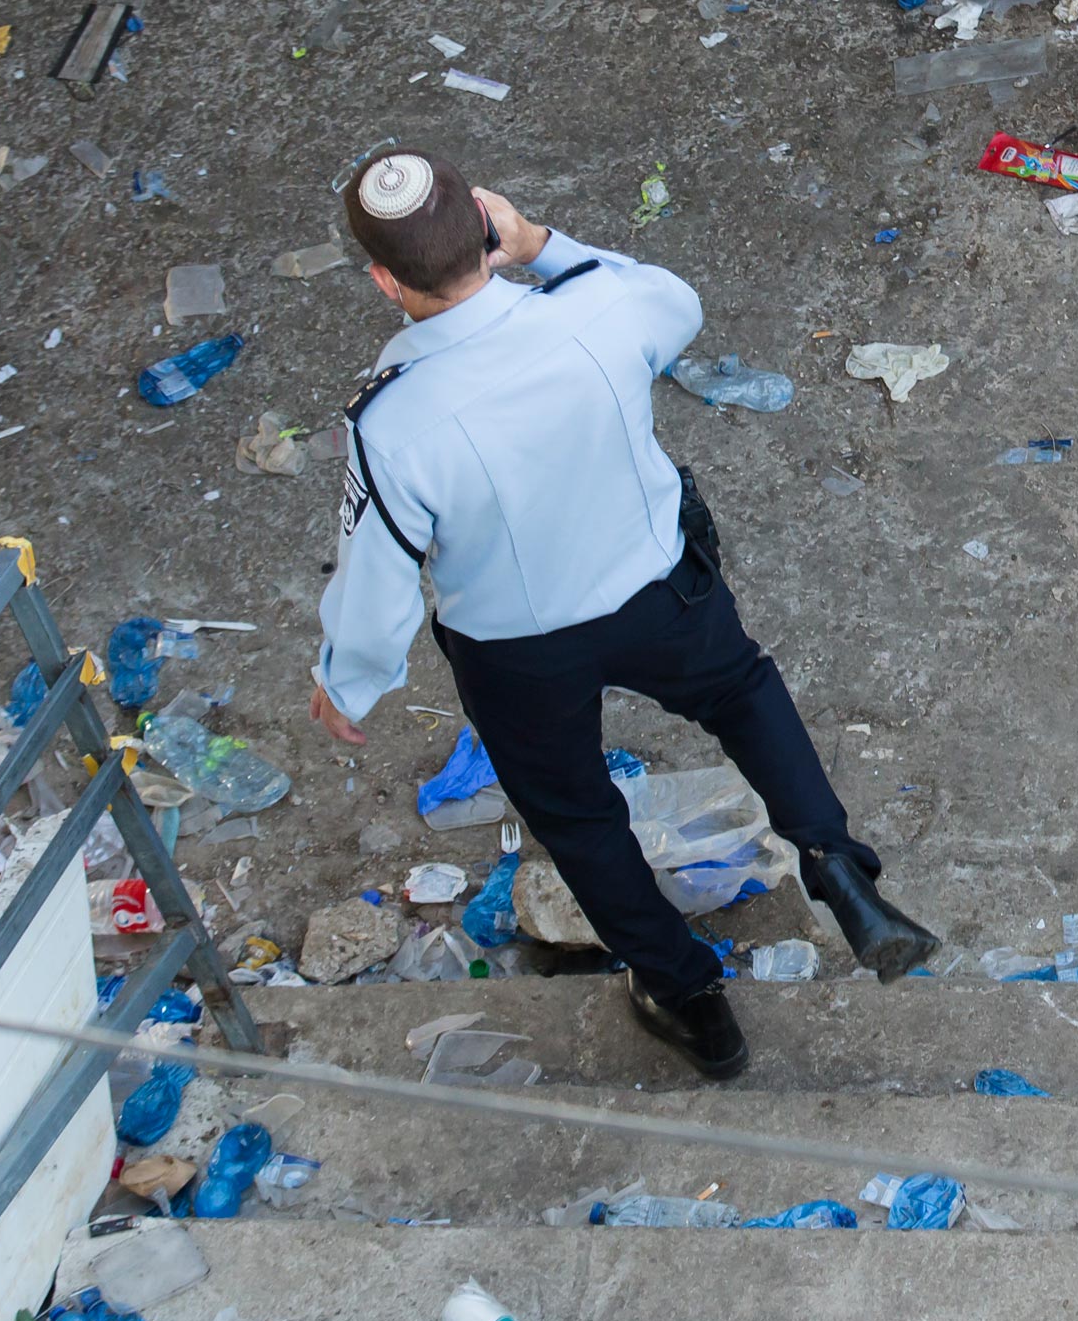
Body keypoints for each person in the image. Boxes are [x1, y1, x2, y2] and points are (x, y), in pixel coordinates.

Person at [309, 151, 934, 1080]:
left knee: (580, 815)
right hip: (655, 587)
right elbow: (676, 302)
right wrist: (541, 245)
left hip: (518, 648)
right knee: (742, 690)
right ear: (485, 222)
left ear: (383, 278)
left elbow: (381, 577)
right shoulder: (595, 309)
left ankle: (689, 998)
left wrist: (346, 681)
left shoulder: (391, 421)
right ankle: (835, 863)